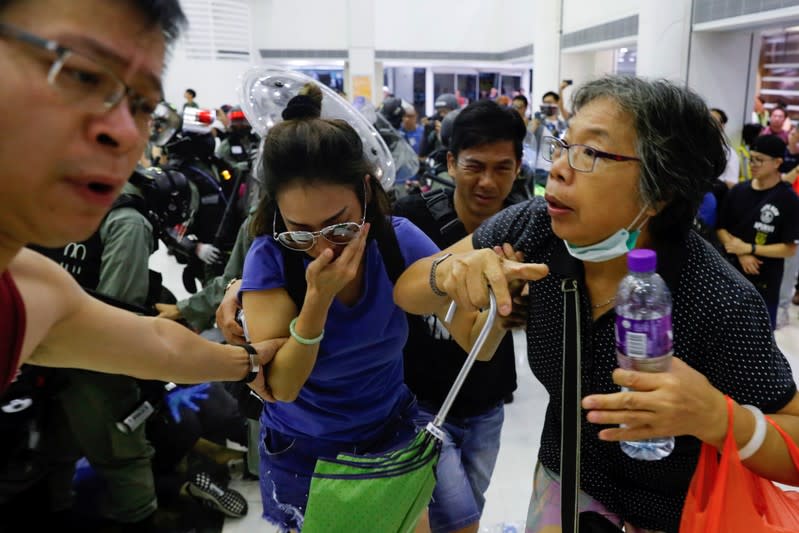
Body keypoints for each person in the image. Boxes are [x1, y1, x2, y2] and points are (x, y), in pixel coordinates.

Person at [393, 76, 799, 533]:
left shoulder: (714, 297)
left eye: (592, 153)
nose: (560, 169)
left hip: (678, 512)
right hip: (563, 484)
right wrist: (445, 274)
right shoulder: (536, 230)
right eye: (564, 145)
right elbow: (407, 290)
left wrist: (719, 417)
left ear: (659, 189)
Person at [237, 83, 500, 531]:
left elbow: (477, 342)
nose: (322, 249)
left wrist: (498, 302)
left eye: (339, 226)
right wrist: (317, 299)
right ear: (277, 212)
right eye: (301, 230)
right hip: (304, 449)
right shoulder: (270, 258)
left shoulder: (397, 242)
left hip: (387, 432)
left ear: (364, 190)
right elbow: (281, 385)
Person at [0, 0, 282, 399]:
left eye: (144, 107)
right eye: (81, 75)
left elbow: (159, 347)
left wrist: (252, 362)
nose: (126, 132)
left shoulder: (32, 291)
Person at [393, 99, 527, 533]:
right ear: (450, 162)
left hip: (487, 404)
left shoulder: (525, 229)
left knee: (470, 509)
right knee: (436, 519)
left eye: (502, 167)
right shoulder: (410, 220)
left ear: (519, 167)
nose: (488, 181)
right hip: (418, 405)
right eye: (475, 165)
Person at [716, 135, 799, 329]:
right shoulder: (738, 192)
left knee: (759, 338)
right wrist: (741, 252)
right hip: (731, 276)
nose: (752, 164)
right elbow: (721, 228)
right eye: (750, 158)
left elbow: (788, 249)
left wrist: (750, 248)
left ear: (777, 162)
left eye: (759, 160)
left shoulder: (788, 200)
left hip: (765, 284)